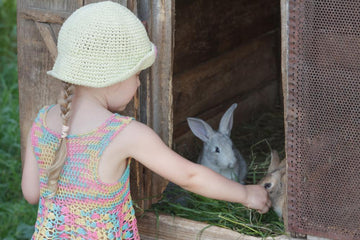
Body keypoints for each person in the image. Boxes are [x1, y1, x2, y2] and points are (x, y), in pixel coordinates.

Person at [21, 1, 271, 239]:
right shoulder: (124, 134)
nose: (139, 83)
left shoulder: (43, 120)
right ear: (116, 76)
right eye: (138, 74)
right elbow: (189, 176)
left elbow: (31, 194)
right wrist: (245, 193)